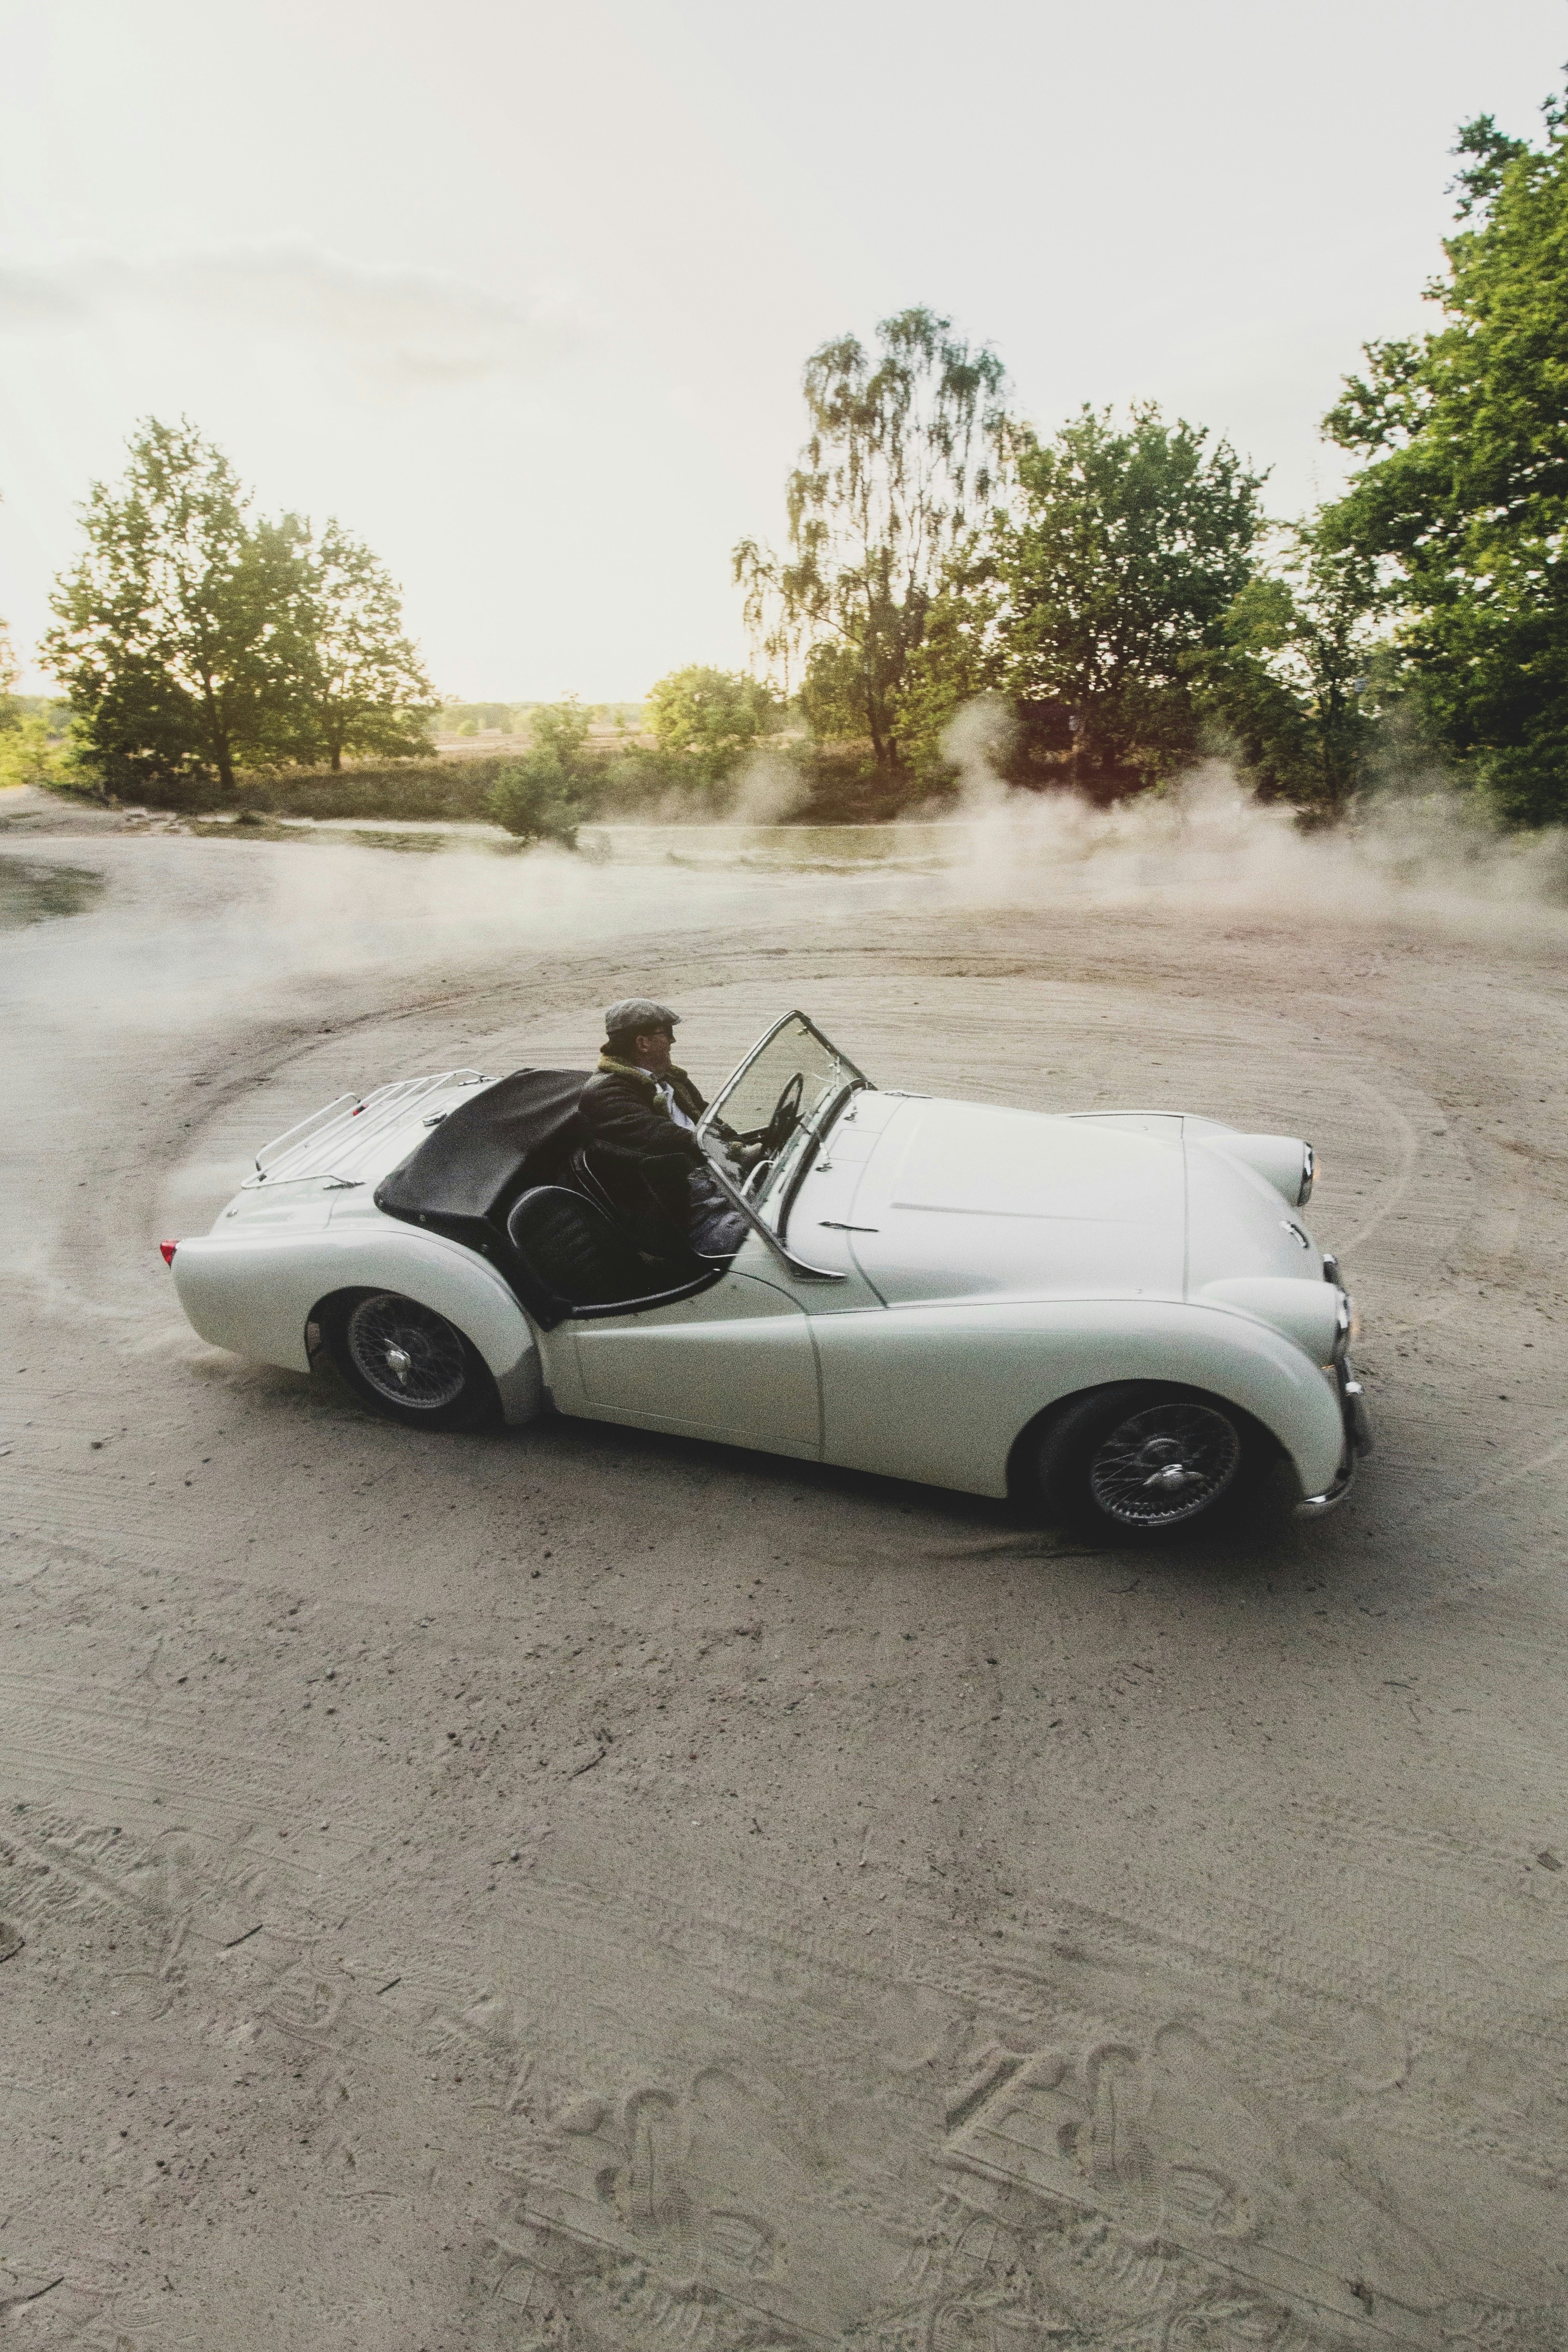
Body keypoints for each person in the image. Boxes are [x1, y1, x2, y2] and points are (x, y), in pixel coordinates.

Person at [576, 999, 749, 1259]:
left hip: (719, 1184)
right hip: (687, 1213)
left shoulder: (671, 1079)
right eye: (666, 1033)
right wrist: (736, 1153)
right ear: (642, 1043)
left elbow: (710, 1119)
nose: (672, 1041)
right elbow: (670, 1140)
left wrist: (740, 1145)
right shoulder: (607, 1093)